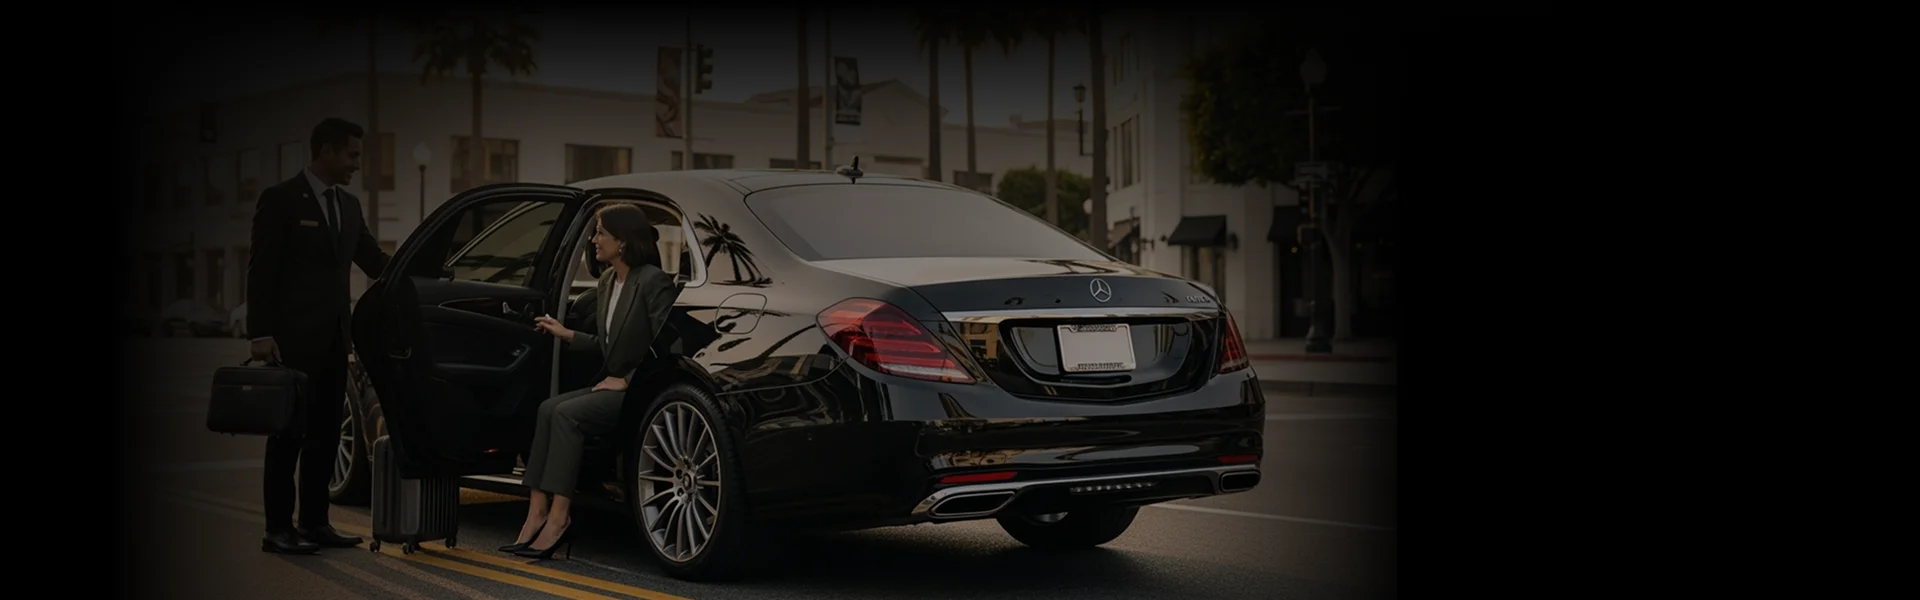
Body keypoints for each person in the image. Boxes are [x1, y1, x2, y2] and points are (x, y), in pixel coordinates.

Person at [246, 117, 391, 554]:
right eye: (351, 155)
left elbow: (371, 258)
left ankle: (314, 524)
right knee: (287, 437)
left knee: (325, 436)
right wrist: (260, 333)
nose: (356, 165)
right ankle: (277, 529)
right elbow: (261, 270)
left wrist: (416, 270)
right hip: (290, 342)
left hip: (334, 343)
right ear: (326, 151)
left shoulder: (348, 205)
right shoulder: (280, 199)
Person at [511, 204, 676, 560]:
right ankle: (535, 512)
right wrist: (566, 333)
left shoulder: (652, 281)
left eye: (601, 232)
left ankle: (559, 517)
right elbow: (607, 345)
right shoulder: (606, 282)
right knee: (547, 409)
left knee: (568, 415)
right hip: (614, 385)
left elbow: (666, 348)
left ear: (623, 240)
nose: (594, 239)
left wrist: (628, 380)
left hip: (642, 393)